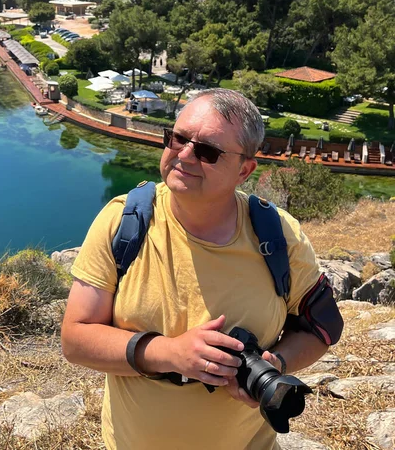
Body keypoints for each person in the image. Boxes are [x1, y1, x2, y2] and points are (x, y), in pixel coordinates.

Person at [62, 89, 334, 450]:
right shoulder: (124, 221)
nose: (185, 155)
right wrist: (168, 353)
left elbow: (323, 325)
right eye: (177, 138)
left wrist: (277, 362)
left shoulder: (278, 236)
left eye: (208, 151)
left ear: (244, 170)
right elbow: (76, 338)